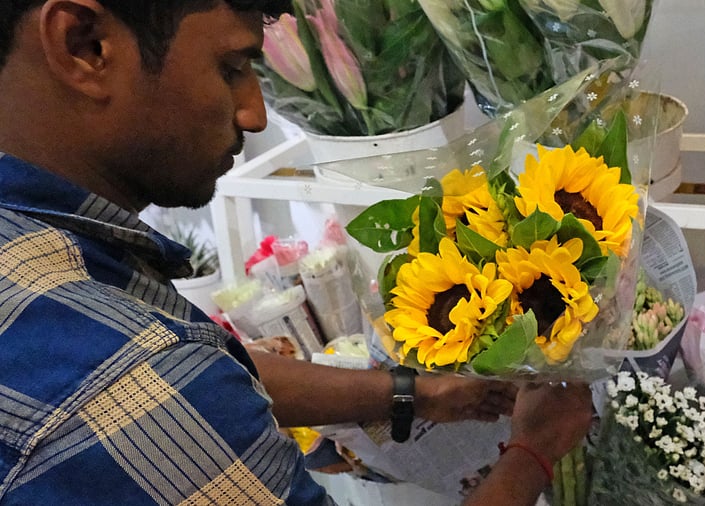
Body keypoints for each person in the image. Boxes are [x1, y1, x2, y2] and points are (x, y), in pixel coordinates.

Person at [0, 1, 594, 504]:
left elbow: (215, 365)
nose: (254, 114)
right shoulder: (134, 382)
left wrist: (410, 392)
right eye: (230, 66)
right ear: (85, 45)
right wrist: (531, 454)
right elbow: (165, 379)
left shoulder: (49, 260)